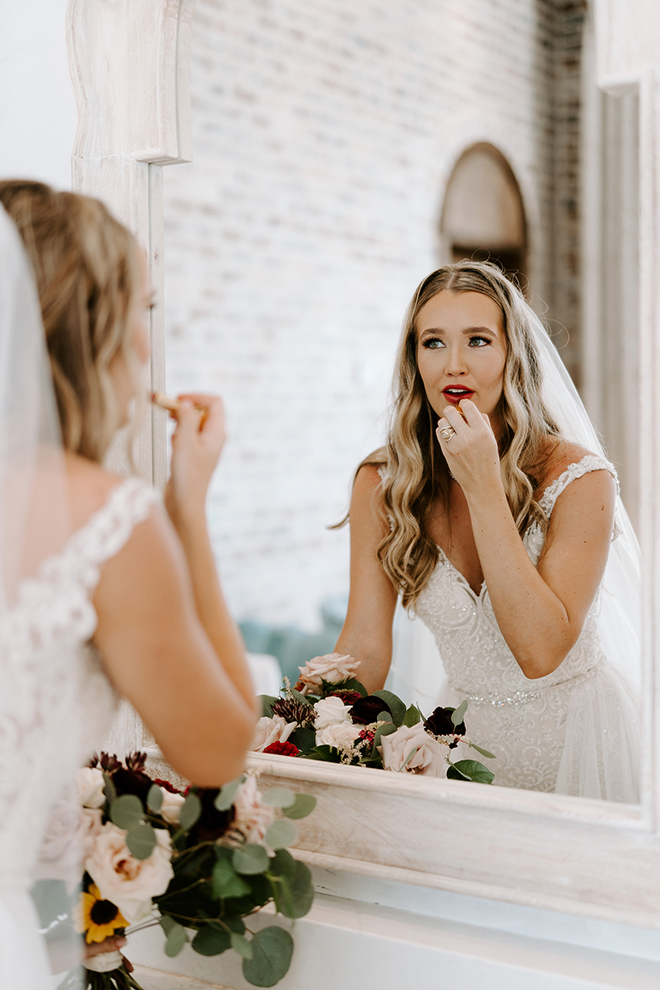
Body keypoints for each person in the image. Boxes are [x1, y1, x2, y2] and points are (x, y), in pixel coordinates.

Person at [0, 180, 258, 988]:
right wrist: (188, 505)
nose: (150, 348)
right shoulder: (107, 521)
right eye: (142, 313)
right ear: (88, 328)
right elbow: (218, 744)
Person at [335, 261, 641, 802]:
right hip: (463, 751)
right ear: (414, 360)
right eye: (433, 342)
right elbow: (364, 643)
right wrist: (308, 731)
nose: (454, 365)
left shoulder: (580, 480)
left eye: (478, 340)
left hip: (584, 750)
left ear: (511, 355)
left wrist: (481, 485)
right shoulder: (382, 483)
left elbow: (540, 651)